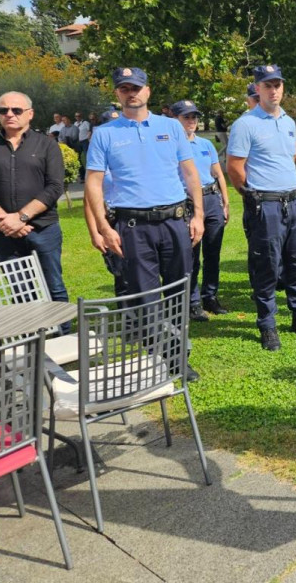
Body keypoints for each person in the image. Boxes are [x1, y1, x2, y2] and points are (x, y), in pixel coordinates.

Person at [85, 67, 205, 380]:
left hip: (174, 221)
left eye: (136, 87)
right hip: (133, 227)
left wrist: (199, 215)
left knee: (179, 290)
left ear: (147, 91)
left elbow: (190, 173)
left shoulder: (171, 127)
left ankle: (179, 351)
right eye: (124, 88)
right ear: (117, 94)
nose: (131, 93)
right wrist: (103, 226)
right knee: (146, 297)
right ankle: (170, 359)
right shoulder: (105, 134)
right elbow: (94, 184)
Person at [227, 64, 296, 351]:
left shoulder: (286, 120)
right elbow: (234, 167)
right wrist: (252, 195)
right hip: (266, 205)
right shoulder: (245, 124)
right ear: (257, 89)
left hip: (294, 201)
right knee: (267, 266)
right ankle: (267, 324)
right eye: (267, 85)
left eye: (278, 85)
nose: (273, 90)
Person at [0, 91, 71, 331]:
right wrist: (7, 221)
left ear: (30, 114)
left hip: (44, 229)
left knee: (53, 285)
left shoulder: (47, 144)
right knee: (20, 290)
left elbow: (55, 186)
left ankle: (63, 336)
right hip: (5, 232)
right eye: (3, 110)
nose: (9, 115)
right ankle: (31, 339)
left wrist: (21, 217)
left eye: (16, 110)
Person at [172, 99, 230, 320]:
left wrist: (225, 202)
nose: (191, 121)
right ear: (175, 120)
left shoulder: (205, 145)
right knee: (191, 254)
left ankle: (210, 296)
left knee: (213, 252)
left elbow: (218, 173)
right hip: (187, 203)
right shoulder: (172, 146)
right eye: (186, 117)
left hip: (212, 199)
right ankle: (192, 301)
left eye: (194, 117)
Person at [84, 110, 129, 297]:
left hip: (134, 217)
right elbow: (88, 201)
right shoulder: (96, 157)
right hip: (111, 220)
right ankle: (129, 320)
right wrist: (96, 233)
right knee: (122, 274)